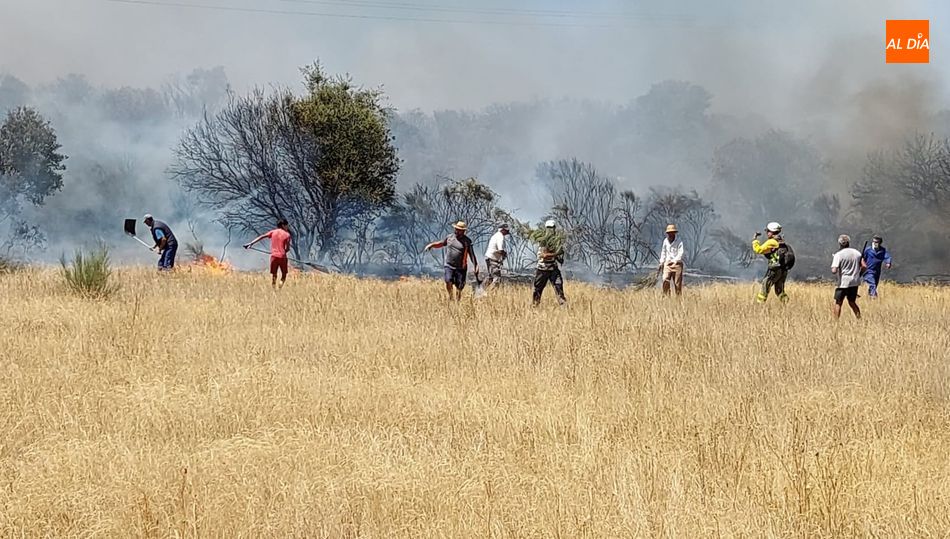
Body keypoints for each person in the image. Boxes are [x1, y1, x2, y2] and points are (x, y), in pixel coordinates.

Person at [425, 221, 479, 301]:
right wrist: (432, 245)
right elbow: (442, 243)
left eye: (459, 230)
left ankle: (457, 302)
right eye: (456, 229)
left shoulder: (467, 241)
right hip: (449, 265)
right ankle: (451, 297)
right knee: (448, 281)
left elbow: (472, 255)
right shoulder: (450, 237)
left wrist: (476, 266)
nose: (457, 231)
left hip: (461, 268)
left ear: (463, 231)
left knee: (459, 287)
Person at [244, 219, 293, 289]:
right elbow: (288, 249)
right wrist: (283, 252)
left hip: (273, 256)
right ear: (283, 225)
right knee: (284, 275)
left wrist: (251, 243)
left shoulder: (273, 232)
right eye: (287, 225)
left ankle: (274, 289)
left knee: (274, 275)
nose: (288, 227)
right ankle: (279, 288)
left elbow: (262, 236)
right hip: (282, 257)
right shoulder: (287, 235)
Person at [751, 221, 789, 303]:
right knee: (779, 290)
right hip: (783, 270)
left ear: (771, 232)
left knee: (765, 286)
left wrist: (755, 240)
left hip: (775, 270)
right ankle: (787, 304)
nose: (767, 233)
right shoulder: (781, 241)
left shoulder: (771, 242)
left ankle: (759, 306)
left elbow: (758, 250)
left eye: (767, 231)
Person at [831, 234, 867, 319]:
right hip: (854, 282)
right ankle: (859, 319)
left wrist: (837, 266)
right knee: (852, 302)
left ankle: (835, 322)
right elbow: (864, 266)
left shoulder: (838, 255)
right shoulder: (857, 253)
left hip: (843, 283)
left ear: (839, 243)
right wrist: (859, 274)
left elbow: (834, 270)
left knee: (838, 302)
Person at [533, 219, 567, 306]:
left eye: (552, 228)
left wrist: (559, 258)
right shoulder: (543, 241)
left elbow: (557, 255)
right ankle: (535, 307)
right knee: (538, 289)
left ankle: (564, 307)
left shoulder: (556, 241)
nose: (551, 230)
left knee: (559, 286)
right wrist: (557, 254)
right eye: (549, 228)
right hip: (542, 268)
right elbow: (544, 256)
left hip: (553, 268)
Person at [658, 224, 685, 296]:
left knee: (677, 284)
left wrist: (675, 261)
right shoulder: (665, 241)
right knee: (665, 280)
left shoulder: (679, 241)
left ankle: (678, 300)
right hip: (667, 264)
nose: (670, 234)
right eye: (669, 233)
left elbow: (681, 252)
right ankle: (667, 296)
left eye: (672, 232)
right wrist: (661, 262)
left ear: (674, 233)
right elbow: (663, 252)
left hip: (677, 264)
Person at [862, 235, 892, 299]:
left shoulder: (882, 250)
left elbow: (887, 256)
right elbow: (862, 259)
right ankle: (874, 297)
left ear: (880, 243)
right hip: (868, 270)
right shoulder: (868, 250)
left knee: (874, 285)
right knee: (872, 284)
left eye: (876, 242)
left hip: (877, 271)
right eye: (873, 242)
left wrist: (888, 262)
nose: (874, 243)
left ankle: (870, 299)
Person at [482, 223, 510, 291]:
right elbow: (500, 250)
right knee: (497, 278)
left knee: (490, 277)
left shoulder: (496, 235)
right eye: (506, 231)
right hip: (493, 259)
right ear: (502, 230)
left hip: (489, 258)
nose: (507, 232)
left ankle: (480, 291)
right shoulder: (500, 237)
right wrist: (504, 254)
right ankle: (492, 295)